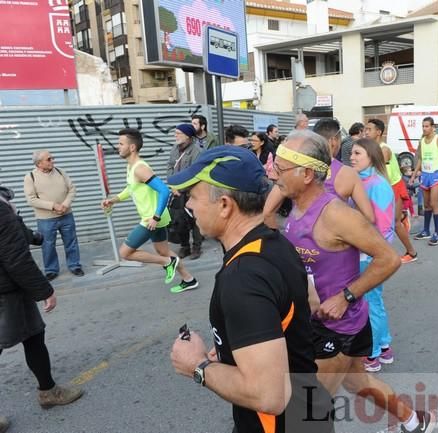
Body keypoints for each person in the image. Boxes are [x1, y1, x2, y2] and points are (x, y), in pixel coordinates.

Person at [272, 130, 435, 433]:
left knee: (308, 413)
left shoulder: (336, 215)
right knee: (358, 382)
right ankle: (413, 420)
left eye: (279, 169)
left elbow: (388, 258)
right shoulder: (296, 205)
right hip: (317, 319)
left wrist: (345, 296)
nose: (272, 173)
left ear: (307, 174)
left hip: (336, 324)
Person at [168, 146, 333, 433]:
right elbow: (311, 301)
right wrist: (240, 345)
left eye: (193, 197)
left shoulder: (243, 276)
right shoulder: (276, 242)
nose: (190, 206)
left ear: (224, 205)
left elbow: (269, 396)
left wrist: (196, 365)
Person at [0, 187, 84, 428]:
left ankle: (48, 390)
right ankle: (48, 391)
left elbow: (10, 232)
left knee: (34, 336)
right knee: (33, 337)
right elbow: (14, 258)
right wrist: (44, 290)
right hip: (7, 290)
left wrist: (31, 236)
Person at [101, 128, 198, 294]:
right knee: (163, 250)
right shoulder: (131, 167)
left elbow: (164, 190)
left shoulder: (140, 168)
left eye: (121, 143)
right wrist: (113, 199)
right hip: (156, 217)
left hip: (152, 219)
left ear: (132, 147)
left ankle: (167, 262)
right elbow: (131, 188)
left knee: (125, 252)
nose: (118, 147)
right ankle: (189, 279)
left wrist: (155, 217)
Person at [262, 118, 375, 229]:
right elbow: (369, 218)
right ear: (334, 141)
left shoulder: (293, 168)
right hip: (333, 243)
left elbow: (267, 212)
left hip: (296, 237)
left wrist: (279, 244)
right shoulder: (348, 174)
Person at [349, 138, 396, 372]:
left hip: (370, 255)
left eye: (358, 153)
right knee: (374, 301)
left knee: (369, 303)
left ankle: (372, 353)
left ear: (371, 156)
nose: (352, 157)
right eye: (351, 153)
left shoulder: (377, 184)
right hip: (364, 252)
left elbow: (384, 226)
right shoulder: (361, 181)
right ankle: (384, 346)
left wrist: (370, 253)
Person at [23, 150, 83, 281]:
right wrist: (53, 206)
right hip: (46, 219)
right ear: (39, 163)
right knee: (48, 245)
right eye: (49, 159)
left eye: (52, 158)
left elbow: (72, 189)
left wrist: (65, 204)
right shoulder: (30, 177)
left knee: (71, 242)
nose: (53, 161)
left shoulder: (61, 172)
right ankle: (51, 270)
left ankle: (75, 265)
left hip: (66, 215)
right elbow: (31, 200)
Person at [366, 119, 418, 263]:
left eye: (369, 129)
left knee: (394, 223)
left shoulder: (383, 150)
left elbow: (379, 174)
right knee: (379, 222)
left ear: (379, 132)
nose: (366, 132)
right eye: (366, 129)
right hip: (383, 188)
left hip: (393, 187)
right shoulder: (373, 149)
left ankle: (412, 253)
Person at [410, 117, 438, 246]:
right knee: (426, 205)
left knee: (434, 204)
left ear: (432, 127)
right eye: (423, 126)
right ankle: (426, 231)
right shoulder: (422, 141)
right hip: (425, 175)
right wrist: (414, 175)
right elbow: (420, 159)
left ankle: (437, 233)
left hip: (436, 174)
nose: (424, 129)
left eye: (426, 126)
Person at [166, 123, 203, 260]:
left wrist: (181, 188)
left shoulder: (197, 151)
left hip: (191, 192)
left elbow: (195, 174)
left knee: (194, 220)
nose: (175, 136)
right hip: (176, 192)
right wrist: (172, 185)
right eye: (175, 133)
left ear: (188, 136)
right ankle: (184, 246)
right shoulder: (175, 149)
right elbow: (170, 166)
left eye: (178, 133)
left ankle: (197, 247)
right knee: (178, 220)